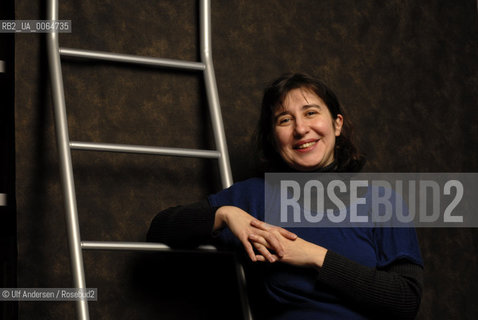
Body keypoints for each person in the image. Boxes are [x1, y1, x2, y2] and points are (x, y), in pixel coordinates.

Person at [147, 73, 423, 319]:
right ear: (273, 138)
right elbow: (160, 229)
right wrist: (226, 214)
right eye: (285, 119)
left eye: (311, 113)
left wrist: (314, 256)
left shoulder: (382, 201)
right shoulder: (255, 197)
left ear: (337, 124)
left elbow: (406, 301)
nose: (301, 129)